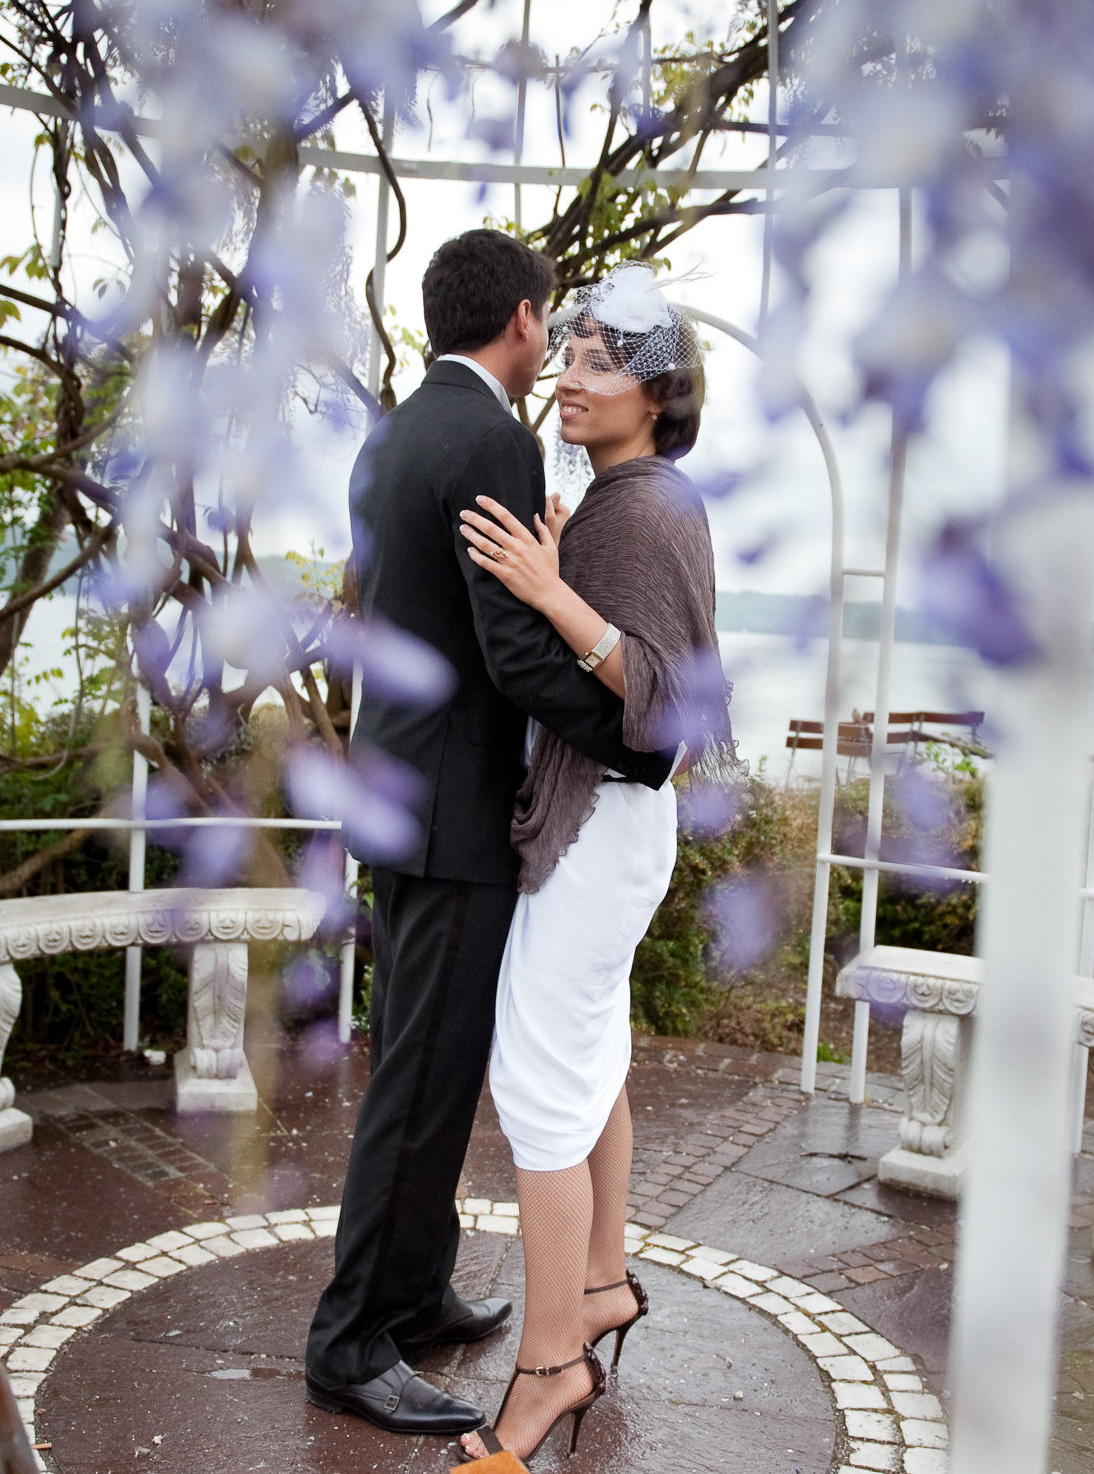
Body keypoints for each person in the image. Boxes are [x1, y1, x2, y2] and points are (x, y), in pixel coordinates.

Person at [304, 233, 681, 1437]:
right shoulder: (491, 439)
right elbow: (513, 649)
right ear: (522, 321)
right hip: (456, 812)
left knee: (434, 1071)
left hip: (404, 795)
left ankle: (413, 1289)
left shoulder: (399, 428)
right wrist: (636, 741)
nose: (559, 355)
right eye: (555, 332)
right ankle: (352, 1333)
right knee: (421, 1087)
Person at [449, 264, 732, 1465]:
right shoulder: (628, 497)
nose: (568, 375)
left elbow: (670, 704)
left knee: (539, 1097)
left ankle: (549, 1364)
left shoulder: (650, 506)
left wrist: (553, 594)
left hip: (601, 826)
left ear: (658, 390)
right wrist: (569, 571)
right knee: (591, 1061)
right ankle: (603, 1279)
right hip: (613, 831)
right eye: (564, 352)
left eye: (598, 362)